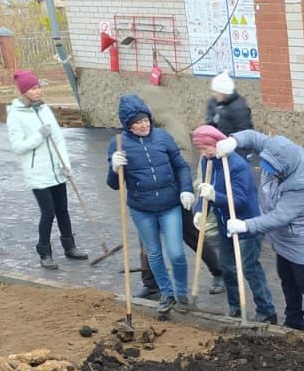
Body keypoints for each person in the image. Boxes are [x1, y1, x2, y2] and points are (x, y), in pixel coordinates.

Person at [216, 129, 304, 336]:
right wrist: (233, 140)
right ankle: (294, 321)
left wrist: (246, 225)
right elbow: (254, 138)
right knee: (287, 278)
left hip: (303, 237)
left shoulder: (302, 184)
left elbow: (281, 216)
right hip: (283, 237)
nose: (268, 172)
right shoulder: (277, 148)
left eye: (274, 170)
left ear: (284, 168)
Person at [133, 81, 224, 299]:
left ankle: (219, 271)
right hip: (147, 196)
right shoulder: (145, 128)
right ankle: (151, 282)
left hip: (173, 193)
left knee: (190, 234)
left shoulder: (172, 127)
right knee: (146, 239)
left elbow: (181, 160)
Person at [107, 95, 191, 316]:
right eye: (137, 122)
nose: (144, 125)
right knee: (153, 253)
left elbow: (181, 166)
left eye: (146, 120)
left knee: (176, 253)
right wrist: (114, 168)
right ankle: (167, 292)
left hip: (170, 205)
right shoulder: (118, 145)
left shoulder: (163, 138)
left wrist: (186, 189)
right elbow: (114, 185)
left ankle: (182, 292)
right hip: (141, 209)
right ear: (128, 125)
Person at [190, 126, 277, 324]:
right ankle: (235, 308)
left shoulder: (236, 165)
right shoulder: (207, 162)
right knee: (228, 268)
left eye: (207, 148)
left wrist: (215, 195)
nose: (204, 153)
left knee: (250, 268)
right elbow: (205, 191)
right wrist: (199, 211)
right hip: (225, 225)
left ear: (217, 144)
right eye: (200, 149)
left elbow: (239, 201)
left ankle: (267, 310)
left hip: (246, 224)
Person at [6, 69, 88, 269]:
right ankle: (44, 252)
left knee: (63, 210)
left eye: (38, 87)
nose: (38, 91)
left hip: (56, 171)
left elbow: (58, 138)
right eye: (33, 88)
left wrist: (66, 165)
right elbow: (18, 147)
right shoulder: (16, 116)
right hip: (38, 174)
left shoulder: (44, 109)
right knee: (48, 212)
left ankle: (69, 246)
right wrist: (38, 137)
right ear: (24, 91)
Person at [205, 72, 253, 155]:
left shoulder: (238, 108)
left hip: (237, 153)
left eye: (216, 92)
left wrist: (239, 156)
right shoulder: (218, 103)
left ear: (223, 92)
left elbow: (245, 135)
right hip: (225, 151)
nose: (214, 94)